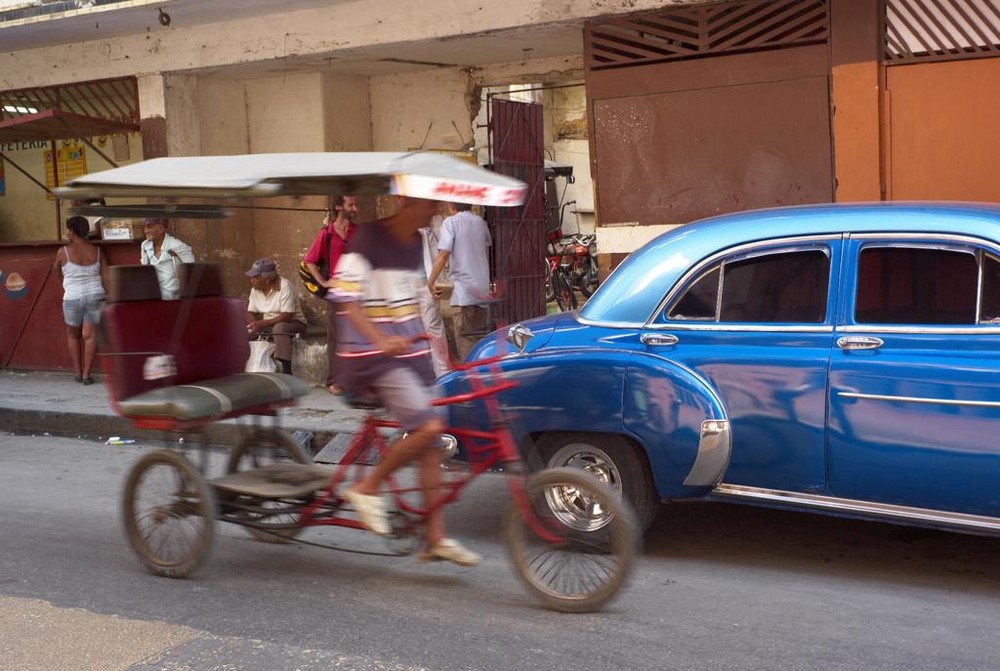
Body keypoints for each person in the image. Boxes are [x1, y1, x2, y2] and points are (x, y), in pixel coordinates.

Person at [330, 195, 481, 567]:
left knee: (428, 444)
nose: (434, 211)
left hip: (405, 353)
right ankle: (367, 486)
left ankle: (435, 539)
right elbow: (345, 299)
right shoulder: (368, 237)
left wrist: (424, 343)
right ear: (404, 200)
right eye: (427, 203)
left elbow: (408, 300)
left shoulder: (415, 243)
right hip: (370, 356)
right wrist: (381, 339)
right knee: (430, 427)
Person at [303, 195, 358, 394]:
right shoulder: (326, 234)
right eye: (351, 204)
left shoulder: (356, 232)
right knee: (336, 338)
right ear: (338, 207)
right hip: (337, 294)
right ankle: (334, 381)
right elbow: (309, 260)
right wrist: (324, 282)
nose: (355, 208)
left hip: (357, 293)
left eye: (355, 204)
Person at [428, 202, 492, 362]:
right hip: (482, 293)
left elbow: (443, 254)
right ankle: (483, 378)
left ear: (451, 205)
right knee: (480, 343)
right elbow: (486, 246)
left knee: (466, 345)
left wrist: (431, 281)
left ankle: (472, 381)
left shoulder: (450, 223)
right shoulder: (480, 223)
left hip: (463, 294)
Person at [54, 215, 107, 385]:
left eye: (67, 229)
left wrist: (67, 284)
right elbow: (105, 276)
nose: (66, 232)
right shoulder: (98, 251)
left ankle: (77, 372)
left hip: (72, 297)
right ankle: (86, 375)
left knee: (73, 335)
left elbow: (57, 271)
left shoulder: (63, 252)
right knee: (89, 336)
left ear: (73, 231)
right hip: (96, 295)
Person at [245, 258, 307, 375]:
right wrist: (254, 325)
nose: (251, 280)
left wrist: (261, 324)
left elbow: (287, 316)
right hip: (268, 324)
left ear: (267, 279)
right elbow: (250, 312)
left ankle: (286, 369)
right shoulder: (255, 290)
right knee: (245, 328)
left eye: (255, 277)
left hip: (293, 323)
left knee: (279, 328)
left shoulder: (285, 286)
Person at [417, 211, 450, 377]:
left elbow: (444, 250)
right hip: (407, 284)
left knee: (433, 329)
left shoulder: (435, 219)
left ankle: (443, 375)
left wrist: (439, 277)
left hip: (427, 283)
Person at [139, 218, 194, 299]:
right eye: (145, 228)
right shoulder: (145, 245)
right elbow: (144, 268)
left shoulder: (177, 246)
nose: (146, 231)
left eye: (149, 227)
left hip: (174, 296)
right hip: (154, 294)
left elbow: (191, 271)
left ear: (161, 229)